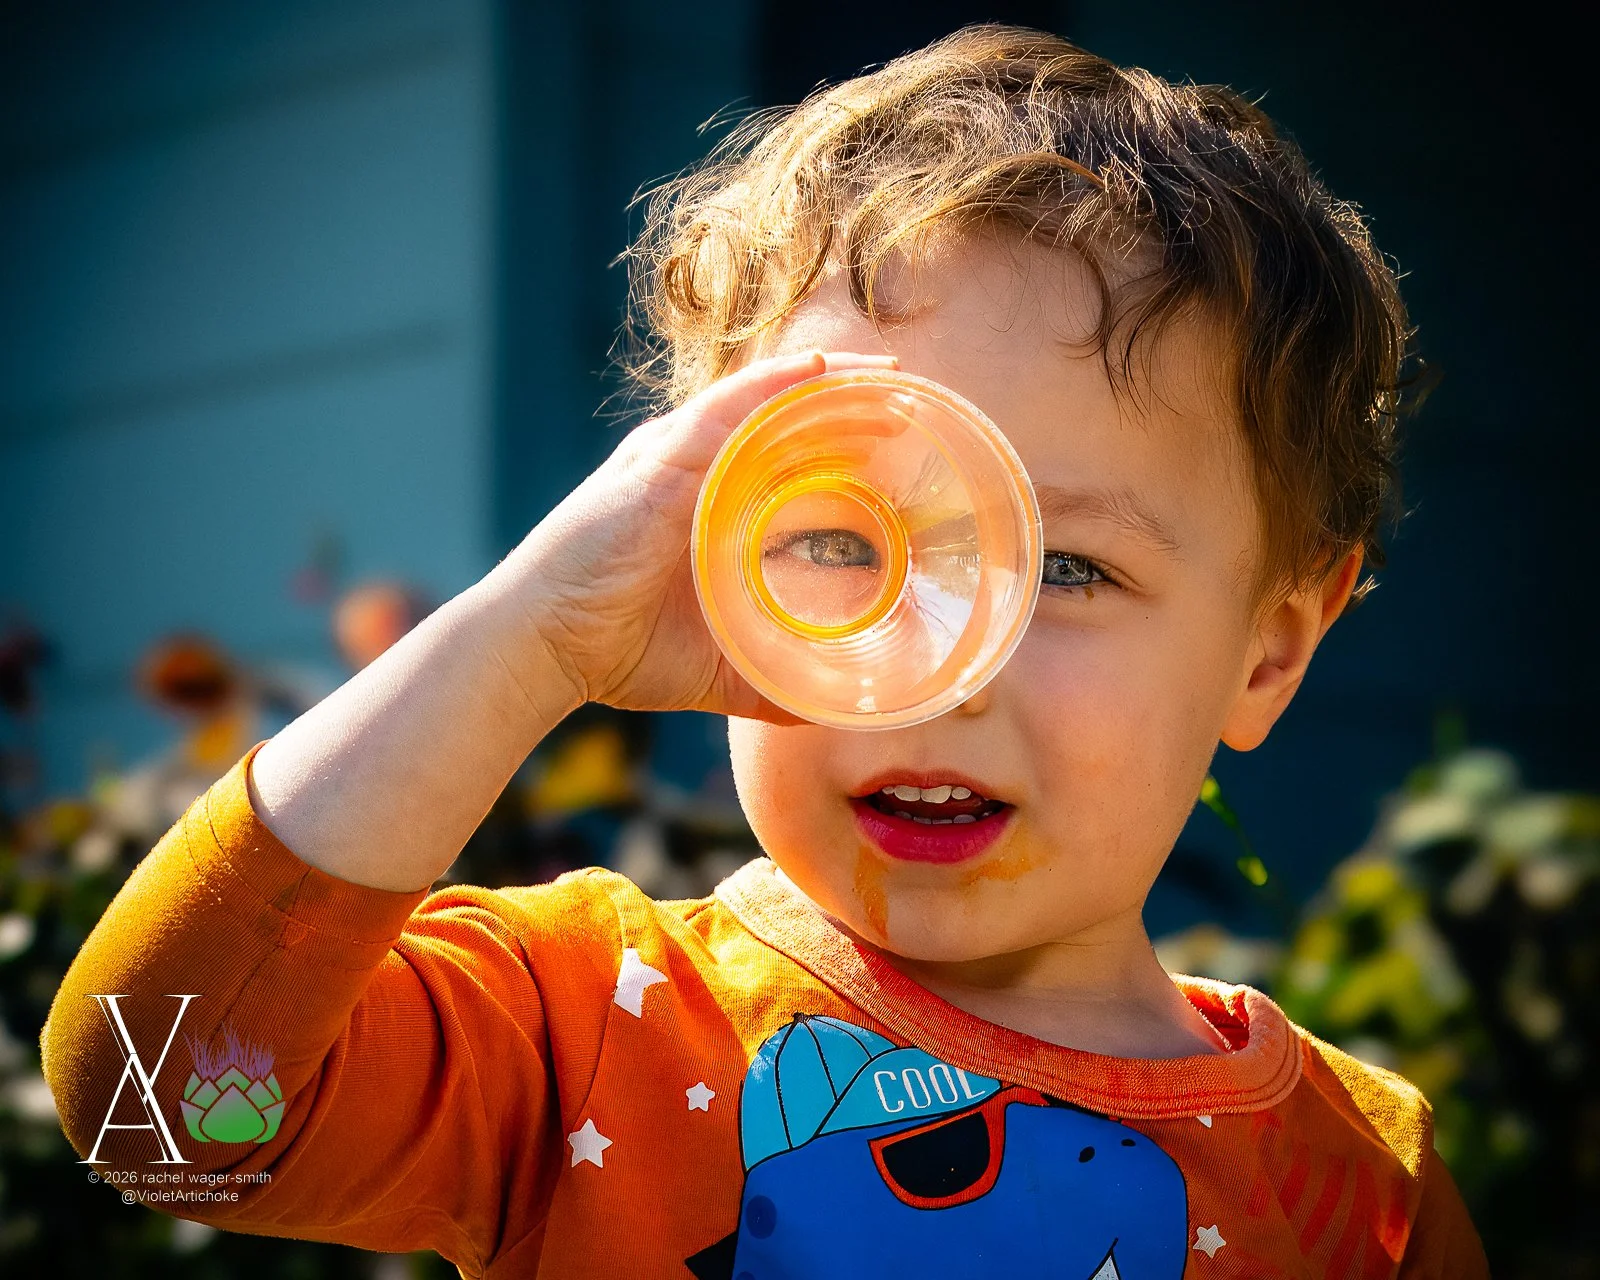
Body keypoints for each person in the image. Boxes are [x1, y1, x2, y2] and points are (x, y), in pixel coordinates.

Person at [39, 25, 1488, 1278]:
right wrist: (525, 636)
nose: (945, 661)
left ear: (1269, 652)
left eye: (1067, 567)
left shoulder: (1361, 1197)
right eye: (844, 541)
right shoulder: (593, 1028)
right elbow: (159, 1111)